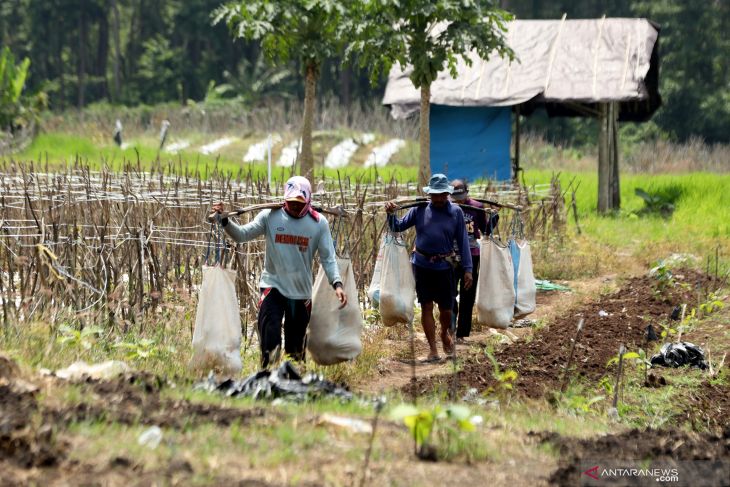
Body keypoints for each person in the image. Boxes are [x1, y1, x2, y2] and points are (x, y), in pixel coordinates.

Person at [210, 176, 347, 368]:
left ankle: (293, 385)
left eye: (300, 203)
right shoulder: (270, 216)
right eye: (291, 202)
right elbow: (242, 235)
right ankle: (268, 379)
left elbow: (328, 258)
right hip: (273, 287)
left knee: (295, 350)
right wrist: (225, 221)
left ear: (308, 201)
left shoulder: (318, 223)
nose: (295, 207)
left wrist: (337, 284)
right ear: (285, 199)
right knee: (270, 338)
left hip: (301, 293)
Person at [384, 174, 472, 362]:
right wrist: (390, 214)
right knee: (426, 306)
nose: (439, 199)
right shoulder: (419, 209)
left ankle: (444, 333)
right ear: (429, 194)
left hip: (445, 266)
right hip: (422, 265)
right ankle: (433, 349)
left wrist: (468, 269)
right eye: (435, 195)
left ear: (447, 194)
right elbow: (397, 227)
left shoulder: (455, 212)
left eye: (442, 195)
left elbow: (463, 242)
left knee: (446, 310)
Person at [449, 180, 499, 343]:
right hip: (450, 255)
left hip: (472, 254)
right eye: (456, 197)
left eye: (462, 196)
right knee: (449, 294)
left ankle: (461, 334)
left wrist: (494, 216)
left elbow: (485, 230)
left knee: (467, 295)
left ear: (467, 193)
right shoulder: (446, 206)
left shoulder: (476, 207)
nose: (459, 200)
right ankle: (450, 328)